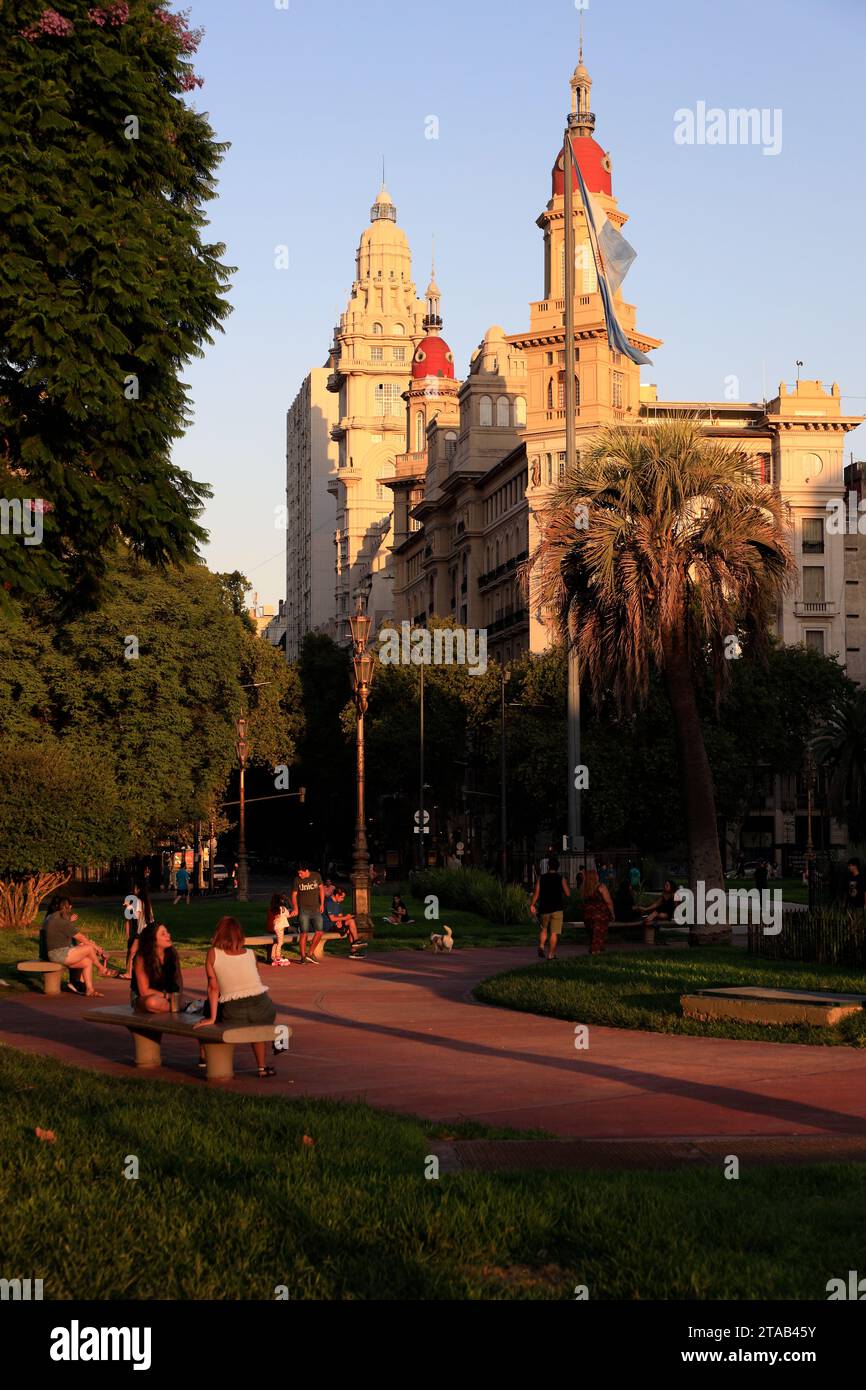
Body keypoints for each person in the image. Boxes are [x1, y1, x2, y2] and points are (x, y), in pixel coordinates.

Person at [194, 917, 278, 1078]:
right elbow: (252, 984)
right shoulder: (251, 954)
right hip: (264, 1008)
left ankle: (206, 1057)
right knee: (257, 1022)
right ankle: (262, 1067)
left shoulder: (213, 954)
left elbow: (213, 987)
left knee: (208, 1009)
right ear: (240, 935)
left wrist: (212, 1017)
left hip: (234, 1012)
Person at [43, 898, 120, 997]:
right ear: (68, 908)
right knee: (88, 948)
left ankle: (89, 990)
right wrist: (97, 948)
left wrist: (94, 947)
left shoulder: (54, 917)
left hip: (58, 952)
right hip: (58, 954)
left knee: (87, 962)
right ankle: (101, 969)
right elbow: (81, 937)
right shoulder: (61, 921)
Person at [132, 924, 183, 1014]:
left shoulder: (172, 952)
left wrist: (178, 996)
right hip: (145, 998)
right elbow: (144, 991)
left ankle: (178, 1006)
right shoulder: (141, 958)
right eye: (163, 934)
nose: (168, 935)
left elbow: (179, 979)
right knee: (151, 1003)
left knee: (180, 1000)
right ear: (153, 940)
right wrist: (167, 996)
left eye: (167, 932)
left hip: (168, 997)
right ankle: (180, 1007)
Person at [530, 854, 570, 961]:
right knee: (554, 933)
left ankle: (542, 945)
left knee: (544, 929)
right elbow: (567, 893)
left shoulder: (541, 878)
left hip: (544, 908)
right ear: (558, 867)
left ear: (548, 866)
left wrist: (532, 905)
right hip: (557, 908)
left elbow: (536, 893)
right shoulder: (561, 878)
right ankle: (551, 955)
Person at [291, 860, 325, 964]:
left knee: (319, 932)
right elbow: (294, 895)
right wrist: (296, 908)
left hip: (316, 909)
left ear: (306, 871)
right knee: (304, 933)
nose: (299, 875)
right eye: (298, 873)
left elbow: (321, 889)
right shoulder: (297, 880)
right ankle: (303, 957)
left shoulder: (316, 876)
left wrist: (322, 903)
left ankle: (310, 953)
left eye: (301, 872)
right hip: (303, 910)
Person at [323, 887, 365, 959]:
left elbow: (340, 916)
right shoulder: (329, 902)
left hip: (335, 924)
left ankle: (354, 950)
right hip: (328, 926)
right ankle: (355, 943)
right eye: (342, 897)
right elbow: (332, 918)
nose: (343, 899)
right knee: (350, 922)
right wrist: (346, 918)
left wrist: (341, 921)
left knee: (350, 928)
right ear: (336, 895)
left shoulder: (338, 903)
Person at [582, 869, 615, 955]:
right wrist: (612, 913)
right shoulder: (601, 887)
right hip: (600, 915)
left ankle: (598, 950)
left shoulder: (585, 888)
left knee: (593, 935)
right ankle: (595, 952)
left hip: (588, 915)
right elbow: (609, 902)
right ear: (595, 877)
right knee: (598, 935)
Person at [266, 892, 293, 967]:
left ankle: (275, 956)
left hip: (276, 927)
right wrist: (293, 913)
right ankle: (278, 956)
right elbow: (288, 915)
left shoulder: (274, 909)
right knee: (280, 942)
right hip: (281, 927)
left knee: (278, 941)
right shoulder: (283, 908)